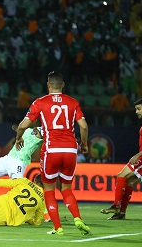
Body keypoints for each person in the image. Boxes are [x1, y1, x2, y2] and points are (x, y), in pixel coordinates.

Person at [15, 71, 90, 236]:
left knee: (49, 190)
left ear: (48, 84)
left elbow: (22, 125)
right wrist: (83, 144)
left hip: (51, 149)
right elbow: (83, 126)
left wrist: (18, 138)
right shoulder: (72, 102)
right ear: (63, 85)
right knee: (66, 188)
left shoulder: (40, 102)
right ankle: (77, 218)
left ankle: (58, 227)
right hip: (70, 149)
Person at [101, 98, 142, 220]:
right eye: (135, 109)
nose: (136, 112)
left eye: (138, 109)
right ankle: (121, 213)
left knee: (121, 176)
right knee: (127, 182)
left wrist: (137, 155)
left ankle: (116, 206)